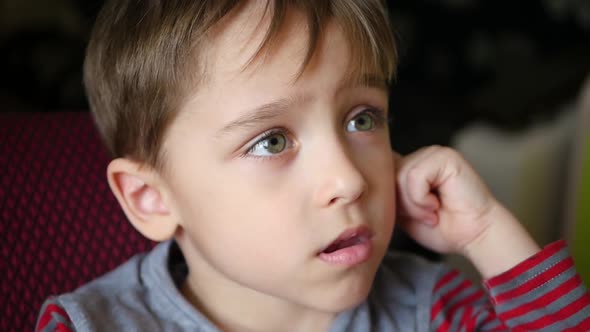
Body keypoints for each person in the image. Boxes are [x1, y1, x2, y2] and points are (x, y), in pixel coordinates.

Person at [36, 0, 590, 331]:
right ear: (151, 199)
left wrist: (487, 233)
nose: (349, 179)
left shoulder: (430, 309)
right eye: (272, 142)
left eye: (362, 119)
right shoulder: (92, 325)